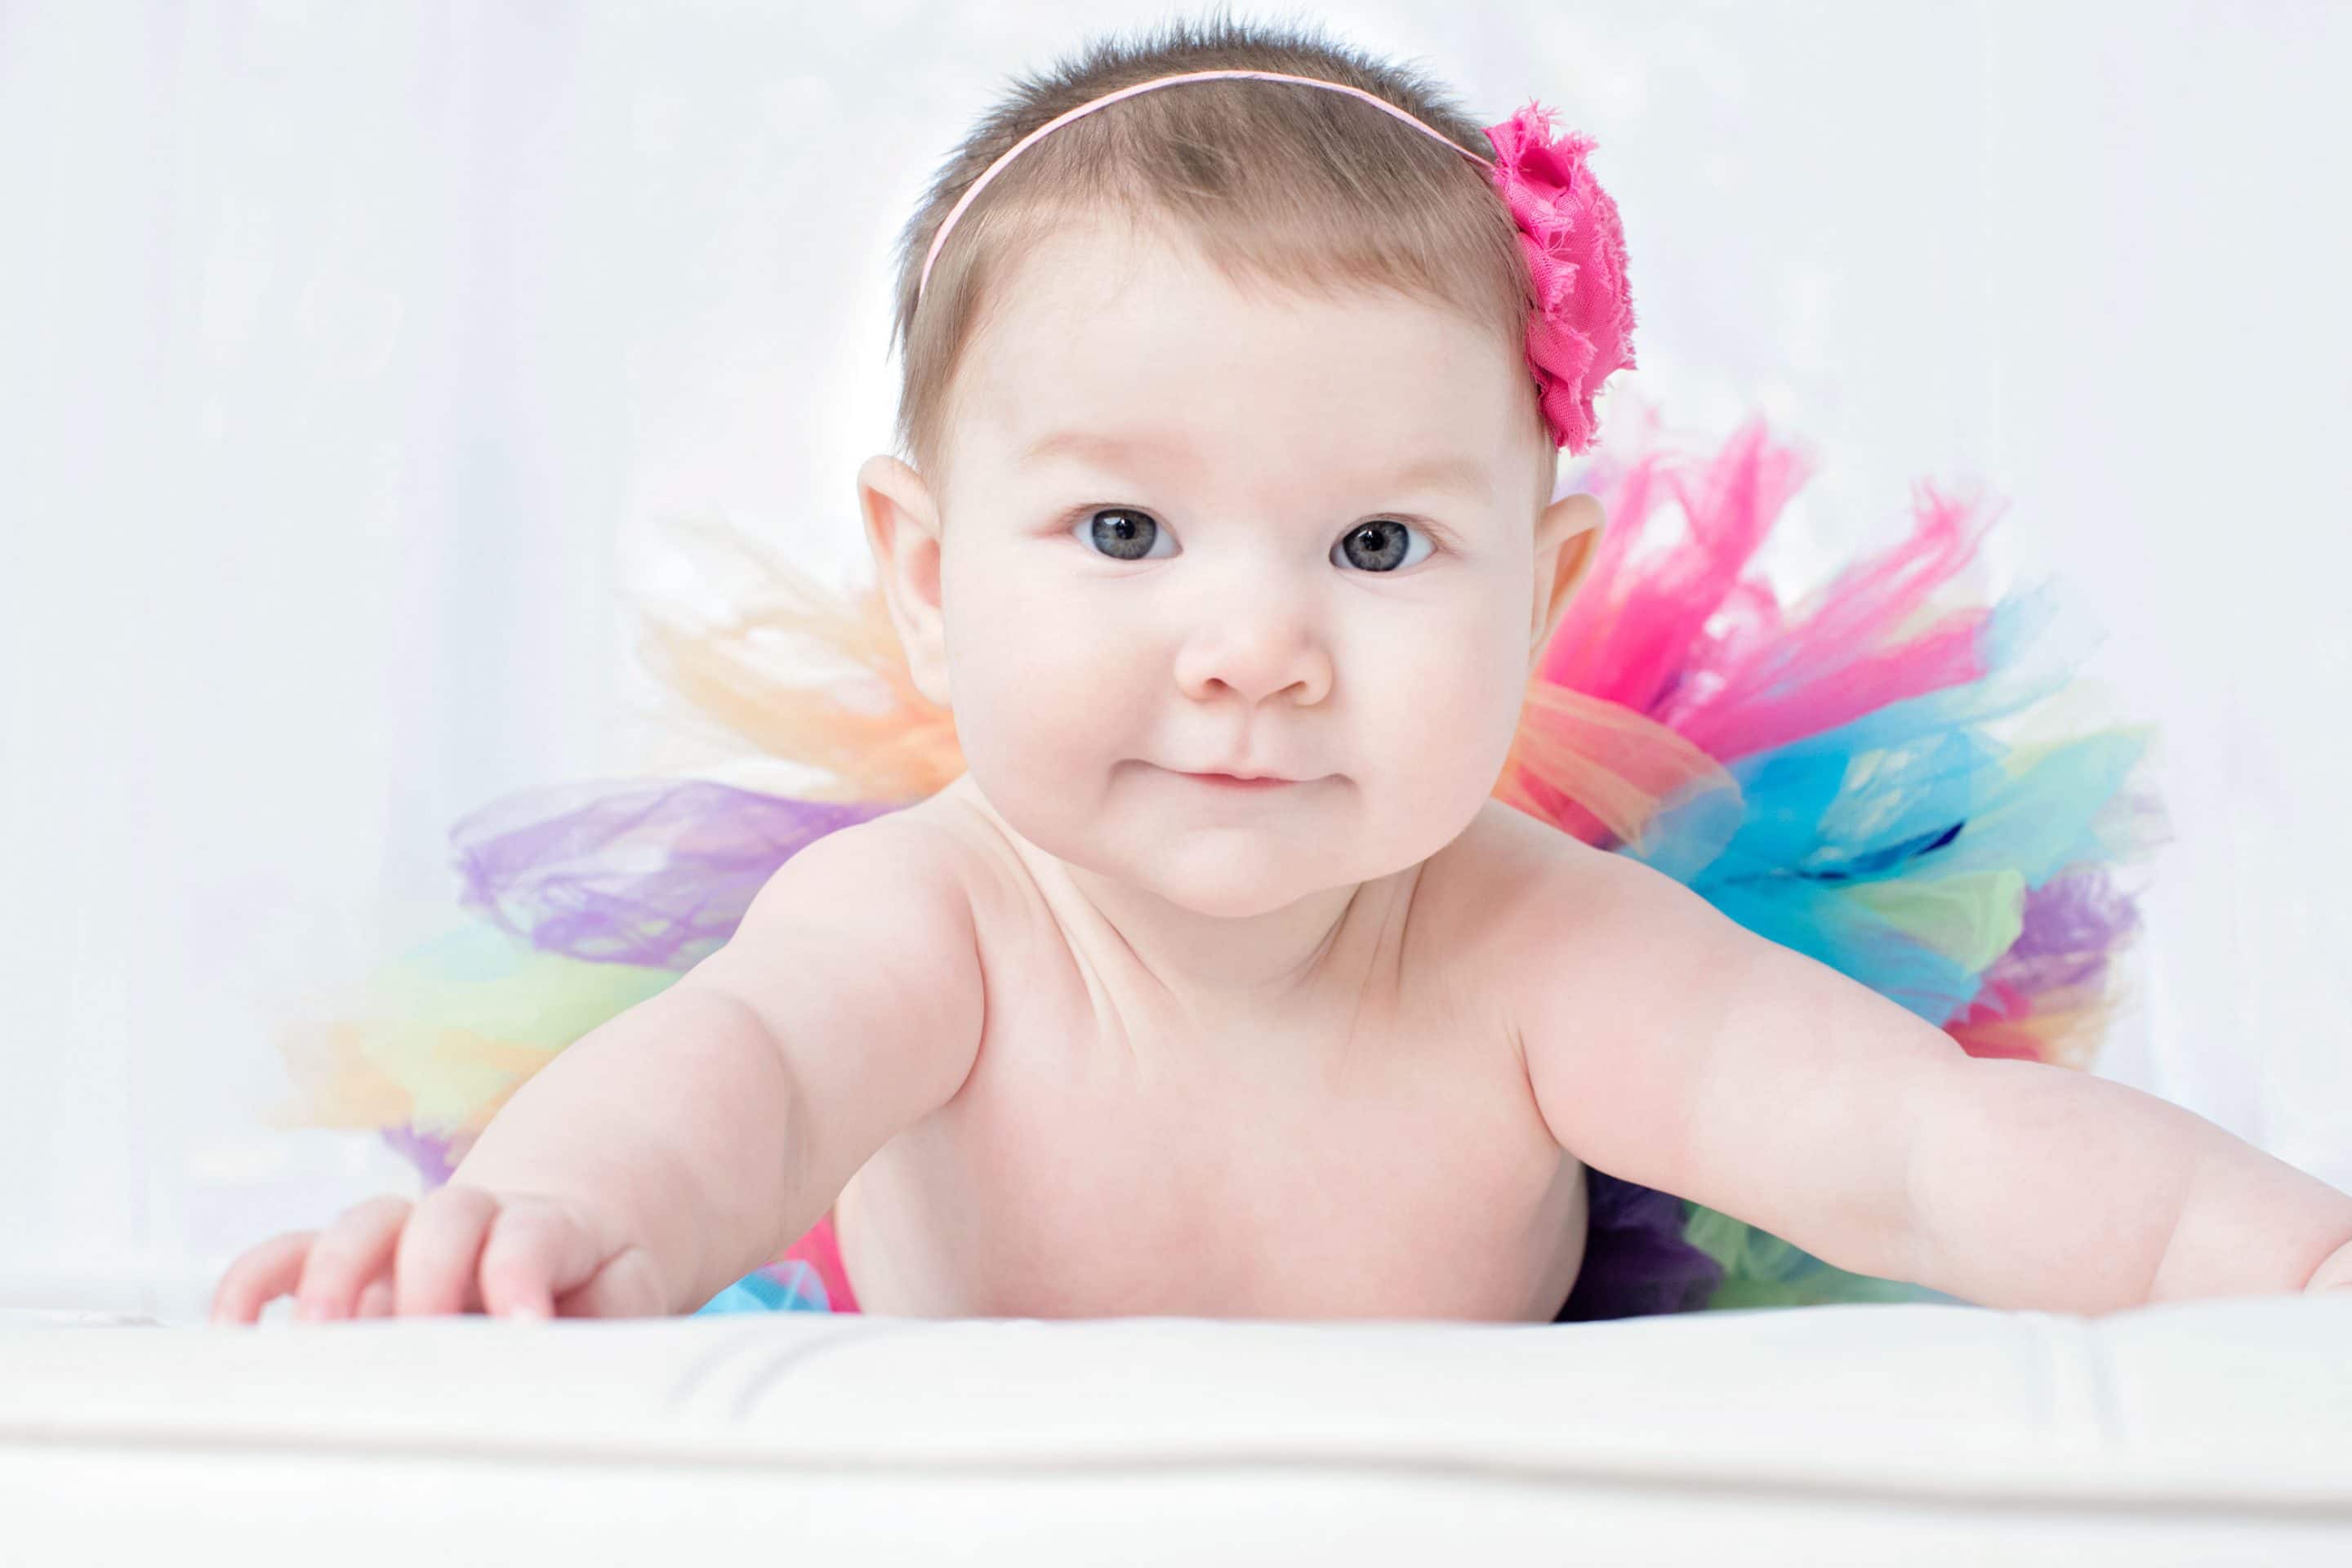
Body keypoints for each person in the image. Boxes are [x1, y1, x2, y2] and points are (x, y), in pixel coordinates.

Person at [212, 17, 2352, 1327]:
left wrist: (2283, 1263)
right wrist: (557, 1223)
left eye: (1383, 544)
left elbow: (1919, 1150)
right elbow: (741, 1093)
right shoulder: (930, 921)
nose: (1253, 653)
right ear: (933, 577)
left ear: (1538, 591)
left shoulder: (1538, 948)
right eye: (1125, 535)